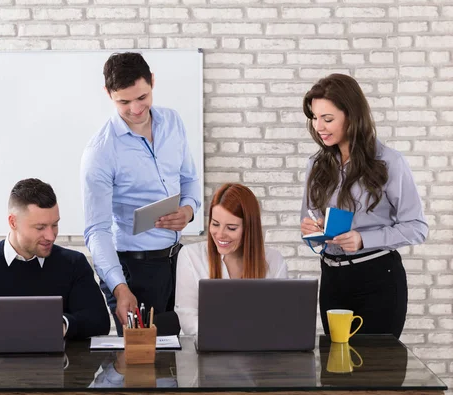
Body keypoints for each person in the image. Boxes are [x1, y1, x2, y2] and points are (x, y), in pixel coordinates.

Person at [300, 74, 428, 339]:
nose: (319, 126)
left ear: (352, 116)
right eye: (314, 117)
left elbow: (417, 228)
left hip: (378, 278)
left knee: (375, 374)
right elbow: (310, 228)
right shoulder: (316, 165)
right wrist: (313, 231)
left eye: (328, 118)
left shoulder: (389, 162)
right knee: (335, 370)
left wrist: (363, 239)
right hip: (332, 279)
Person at [81, 52, 201, 334]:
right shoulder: (100, 152)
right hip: (133, 271)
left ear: (153, 83)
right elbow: (96, 231)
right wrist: (120, 288)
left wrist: (189, 209)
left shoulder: (173, 122)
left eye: (142, 97)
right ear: (108, 94)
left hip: (177, 261)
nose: (136, 108)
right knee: (144, 365)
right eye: (124, 101)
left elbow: (190, 179)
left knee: (176, 354)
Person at [0, 178, 110, 342]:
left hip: (58, 371)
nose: (51, 235)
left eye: (54, 224)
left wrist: (61, 325)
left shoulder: (73, 264)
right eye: (40, 227)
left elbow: (98, 319)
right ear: (13, 222)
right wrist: (2, 328)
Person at [175, 183, 287, 335]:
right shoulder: (190, 255)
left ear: (249, 228)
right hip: (202, 353)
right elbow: (188, 322)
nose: (220, 234)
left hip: (257, 354)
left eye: (231, 228)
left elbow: (280, 320)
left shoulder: (274, 260)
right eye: (215, 224)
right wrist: (234, 336)